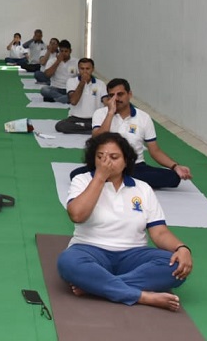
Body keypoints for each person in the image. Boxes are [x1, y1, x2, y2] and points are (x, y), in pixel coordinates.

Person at [57, 133, 192, 311]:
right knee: (68, 261)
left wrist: (182, 248)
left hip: (133, 255)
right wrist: (100, 178)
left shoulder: (142, 188)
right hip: (89, 250)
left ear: (126, 161)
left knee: (175, 265)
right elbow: (77, 215)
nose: (106, 162)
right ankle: (142, 296)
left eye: (114, 157)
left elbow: (159, 232)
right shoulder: (82, 180)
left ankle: (95, 286)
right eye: (100, 157)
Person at [71, 79, 191, 189]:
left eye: (120, 94)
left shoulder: (144, 117)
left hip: (135, 166)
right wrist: (110, 113)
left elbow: (155, 151)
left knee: (174, 177)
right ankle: (124, 179)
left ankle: (117, 179)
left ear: (130, 94)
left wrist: (175, 166)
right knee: (76, 175)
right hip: (106, 165)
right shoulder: (100, 113)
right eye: (112, 95)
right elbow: (97, 140)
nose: (116, 99)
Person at [55, 58, 106, 134]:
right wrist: (82, 82)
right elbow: (73, 101)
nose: (85, 71)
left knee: (106, 124)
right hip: (75, 118)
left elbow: (106, 101)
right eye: (82, 69)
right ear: (78, 69)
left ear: (93, 69)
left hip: (94, 118)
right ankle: (90, 129)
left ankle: (85, 128)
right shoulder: (71, 81)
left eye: (87, 69)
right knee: (60, 126)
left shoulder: (101, 84)